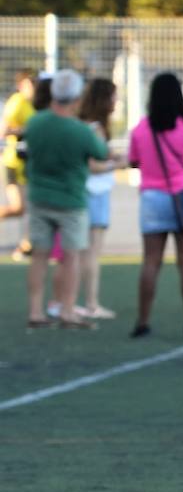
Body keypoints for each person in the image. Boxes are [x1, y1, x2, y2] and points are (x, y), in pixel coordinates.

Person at [22, 69, 112, 330]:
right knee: (70, 257)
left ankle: (36, 311)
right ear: (75, 98)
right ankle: (68, 310)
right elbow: (100, 153)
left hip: (39, 196)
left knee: (39, 256)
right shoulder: (80, 131)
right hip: (71, 200)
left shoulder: (35, 123)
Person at [126, 72, 183, 339]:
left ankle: (143, 322)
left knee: (151, 262)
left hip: (152, 198)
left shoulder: (141, 128)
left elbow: (134, 161)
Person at [76, 77, 122, 319]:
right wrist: (116, 164)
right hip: (94, 192)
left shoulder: (85, 125)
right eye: (113, 96)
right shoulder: (94, 128)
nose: (116, 101)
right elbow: (93, 165)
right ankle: (91, 303)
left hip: (89, 191)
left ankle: (75, 302)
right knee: (91, 252)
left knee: (82, 251)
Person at [3, 70, 37, 261]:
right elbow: (5, 130)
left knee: (29, 206)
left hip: (26, 162)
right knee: (19, 207)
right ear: (21, 85)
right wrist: (26, 130)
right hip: (12, 162)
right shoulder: (16, 102)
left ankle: (26, 245)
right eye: (29, 83)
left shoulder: (30, 105)